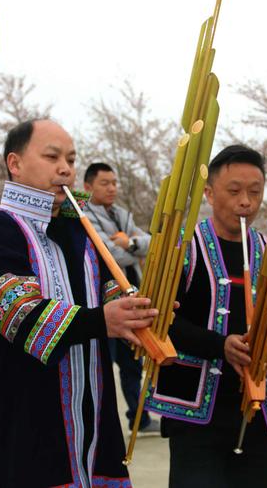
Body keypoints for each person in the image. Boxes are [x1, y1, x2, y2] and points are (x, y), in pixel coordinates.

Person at [0, 119, 158, 488]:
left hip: (95, 416)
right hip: (25, 422)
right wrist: (103, 321)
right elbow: (19, 315)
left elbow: (109, 291)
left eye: (70, 159)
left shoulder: (81, 232)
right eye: (52, 156)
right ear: (15, 163)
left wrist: (139, 313)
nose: (65, 169)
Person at [144, 145, 267, 488]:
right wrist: (221, 345)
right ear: (209, 192)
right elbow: (160, 321)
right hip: (195, 415)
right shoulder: (183, 250)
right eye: (234, 191)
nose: (245, 201)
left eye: (255, 191)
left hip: (257, 408)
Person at [83, 162, 158, 434]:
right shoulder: (84, 216)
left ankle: (141, 419)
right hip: (103, 304)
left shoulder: (122, 215)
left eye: (114, 182)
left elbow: (150, 244)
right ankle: (100, 425)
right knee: (100, 365)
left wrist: (132, 243)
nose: (112, 188)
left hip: (132, 296)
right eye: (105, 183)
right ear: (88, 187)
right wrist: (131, 247)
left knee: (131, 364)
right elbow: (109, 255)